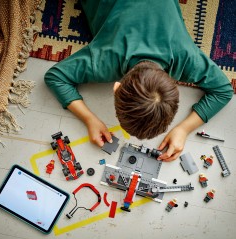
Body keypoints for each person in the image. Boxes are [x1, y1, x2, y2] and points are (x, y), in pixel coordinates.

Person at [44, 0, 233, 162]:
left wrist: (184, 129)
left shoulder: (186, 58)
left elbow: (224, 90)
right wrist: (89, 119)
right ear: (116, 87)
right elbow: (55, 77)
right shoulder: (104, 60)